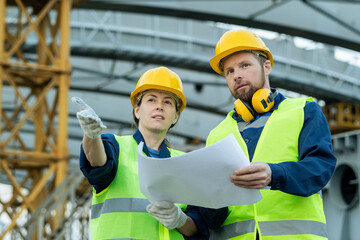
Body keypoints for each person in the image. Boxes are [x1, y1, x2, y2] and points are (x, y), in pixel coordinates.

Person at [201, 29, 337, 240]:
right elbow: (215, 208)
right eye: (229, 71)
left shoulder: (303, 110)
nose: (237, 75)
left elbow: (320, 169)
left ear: (267, 66)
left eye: (245, 65)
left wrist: (275, 175)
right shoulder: (217, 134)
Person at [72, 66, 209, 240]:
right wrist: (92, 136)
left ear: (175, 116)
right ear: (137, 110)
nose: (159, 106)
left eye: (167, 102)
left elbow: (199, 228)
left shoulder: (186, 163)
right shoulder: (116, 147)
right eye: (151, 100)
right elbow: (98, 164)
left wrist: (180, 220)